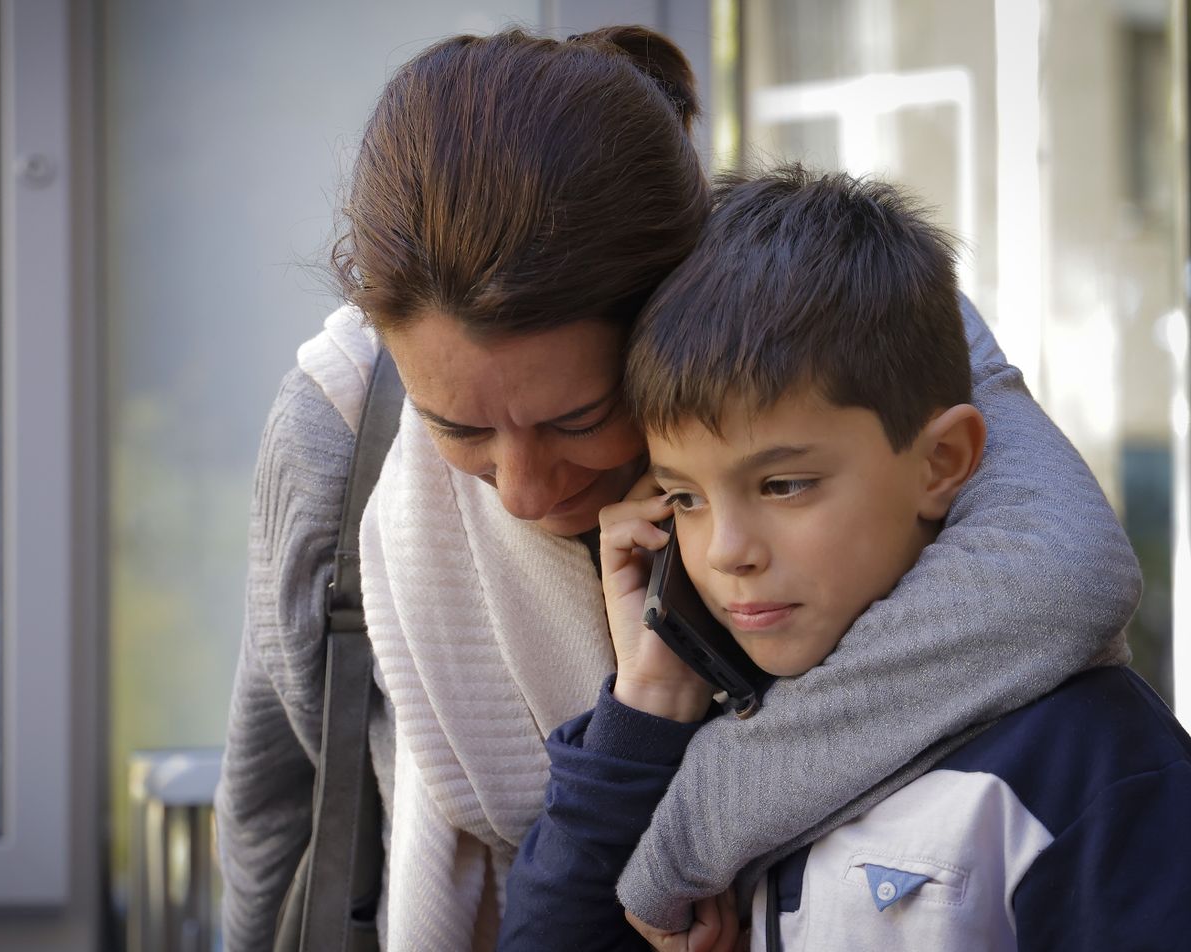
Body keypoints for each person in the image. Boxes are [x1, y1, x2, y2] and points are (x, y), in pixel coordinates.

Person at [215, 27, 1139, 951]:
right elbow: (272, 805)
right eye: (458, 429)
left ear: (670, 306)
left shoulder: (797, 321)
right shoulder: (338, 431)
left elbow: (1063, 570)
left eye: (578, 419)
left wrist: (693, 823)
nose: (525, 494)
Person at [500, 166, 1191, 951]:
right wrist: (646, 706)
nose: (726, 551)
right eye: (684, 497)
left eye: (784, 485)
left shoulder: (1089, 760)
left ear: (942, 462)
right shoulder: (702, 736)